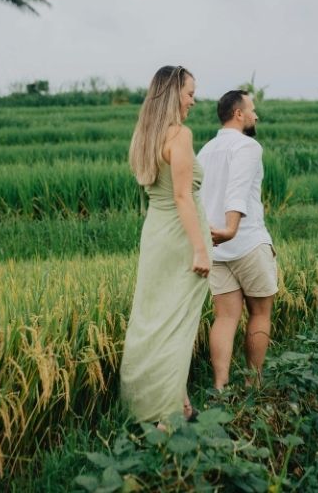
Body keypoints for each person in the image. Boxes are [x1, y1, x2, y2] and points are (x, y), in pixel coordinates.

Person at [119, 65, 211, 425]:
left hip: (156, 233)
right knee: (178, 324)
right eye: (190, 93)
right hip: (180, 237)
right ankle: (166, 414)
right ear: (173, 93)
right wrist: (200, 249)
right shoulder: (180, 135)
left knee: (153, 317)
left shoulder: (144, 135)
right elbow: (182, 196)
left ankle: (166, 402)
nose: (194, 100)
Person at [197, 90, 277, 391]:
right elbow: (238, 190)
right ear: (238, 114)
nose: (256, 115)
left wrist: (213, 234)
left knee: (225, 317)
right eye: (252, 110)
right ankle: (253, 383)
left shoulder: (205, 150)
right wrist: (231, 228)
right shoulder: (248, 146)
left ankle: (220, 386)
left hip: (215, 247)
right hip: (246, 241)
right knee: (260, 313)